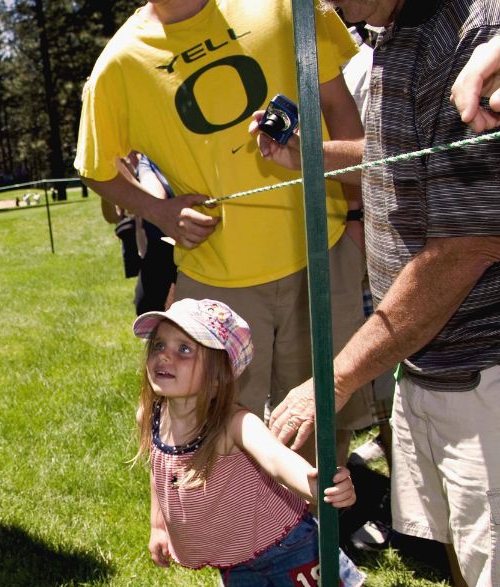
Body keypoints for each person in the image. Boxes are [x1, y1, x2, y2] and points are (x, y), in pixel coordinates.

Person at [264, 1, 500, 587]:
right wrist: (307, 152)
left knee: (495, 570)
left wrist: (333, 377)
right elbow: (394, 156)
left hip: (482, 371)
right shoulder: (397, 34)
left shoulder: (473, 34)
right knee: (470, 560)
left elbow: (470, 242)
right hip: (430, 362)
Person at [134, 298, 475, 587]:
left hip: (288, 545)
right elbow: (158, 468)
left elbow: (277, 460)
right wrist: (159, 524)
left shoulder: (233, 424)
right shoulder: (155, 414)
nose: (164, 355)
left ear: (220, 373)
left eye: (185, 349)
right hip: (237, 559)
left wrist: (316, 483)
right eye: (159, 345)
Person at [76, 0, 372, 465]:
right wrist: (161, 212)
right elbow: (94, 167)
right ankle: (242, 534)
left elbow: (336, 104)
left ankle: (315, 533)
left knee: (320, 421)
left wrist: (354, 213)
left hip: (321, 248)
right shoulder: (120, 62)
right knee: (216, 432)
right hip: (218, 279)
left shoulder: (281, 5)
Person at [99, 151, 176, 315]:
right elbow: (112, 216)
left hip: (179, 248)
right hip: (152, 251)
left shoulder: (152, 159)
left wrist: (129, 180)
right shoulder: (119, 161)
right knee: (145, 309)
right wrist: (109, 183)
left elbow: (157, 199)